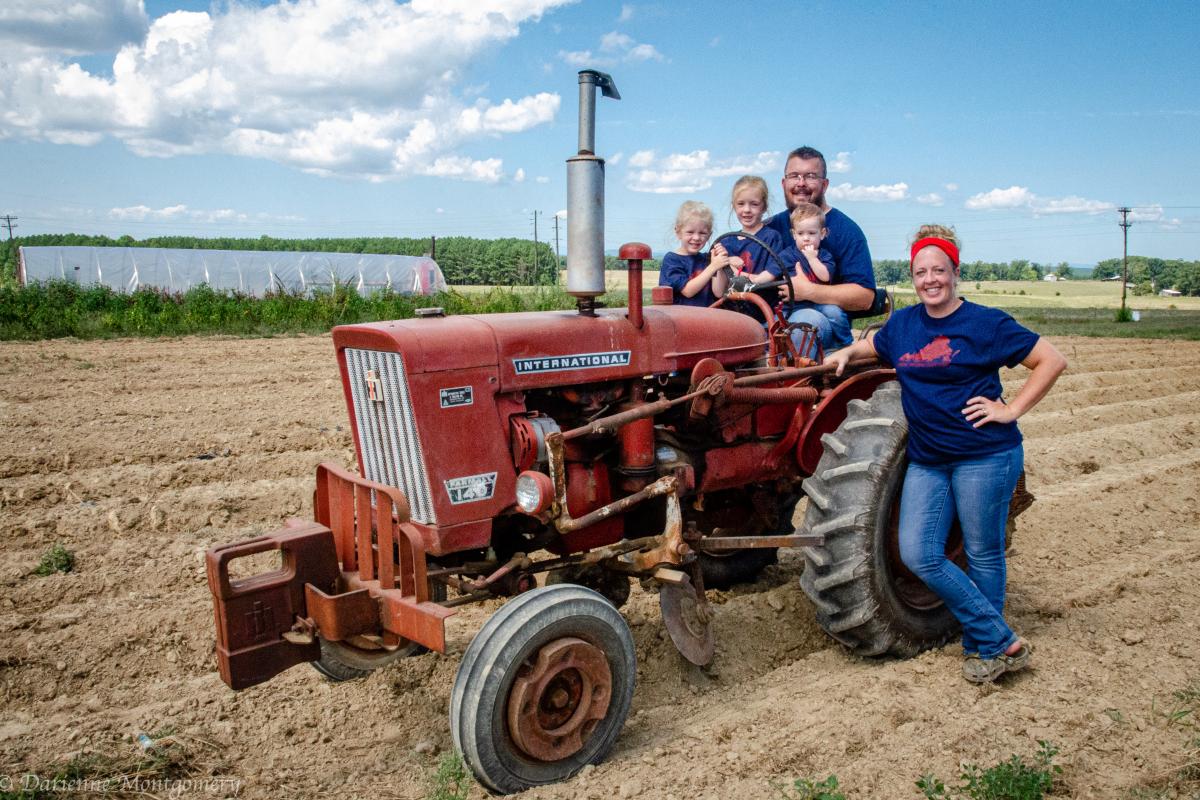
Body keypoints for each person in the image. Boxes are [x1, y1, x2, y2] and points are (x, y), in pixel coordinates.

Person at [826, 225, 1067, 684]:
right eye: (921, 272)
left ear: (956, 273)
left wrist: (1010, 408)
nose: (930, 279)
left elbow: (1051, 360)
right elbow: (871, 347)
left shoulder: (985, 323)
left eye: (939, 270)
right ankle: (998, 638)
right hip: (929, 459)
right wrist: (843, 354)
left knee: (982, 553)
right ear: (913, 277)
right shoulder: (904, 325)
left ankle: (985, 648)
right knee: (919, 553)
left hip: (985, 456)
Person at [764, 146, 876, 357]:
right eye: (794, 176)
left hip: (822, 326)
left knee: (805, 325)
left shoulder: (847, 231)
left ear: (825, 184)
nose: (801, 183)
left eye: (810, 176)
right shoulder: (770, 228)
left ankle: (797, 388)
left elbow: (865, 297)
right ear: (783, 183)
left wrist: (809, 291)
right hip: (774, 321)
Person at [711, 176, 788, 323]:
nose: (747, 210)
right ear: (734, 206)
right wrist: (721, 263)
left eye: (754, 204)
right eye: (741, 204)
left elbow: (771, 275)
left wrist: (734, 269)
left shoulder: (771, 238)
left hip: (764, 315)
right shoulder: (726, 243)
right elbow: (718, 291)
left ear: (764, 207)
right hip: (733, 316)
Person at [774, 202, 852, 348]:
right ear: (793, 234)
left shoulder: (824, 256)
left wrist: (812, 258)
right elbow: (778, 275)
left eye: (811, 233)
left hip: (821, 302)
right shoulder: (787, 255)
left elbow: (825, 277)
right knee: (774, 320)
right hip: (794, 305)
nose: (806, 238)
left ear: (822, 234)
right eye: (801, 233)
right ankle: (771, 347)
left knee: (835, 313)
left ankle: (845, 343)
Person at [657, 201, 730, 307]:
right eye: (690, 232)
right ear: (678, 232)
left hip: (707, 319)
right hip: (682, 320)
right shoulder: (672, 260)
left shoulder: (708, 259)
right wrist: (713, 266)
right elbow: (688, 291)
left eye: (702, 233)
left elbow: (718, 292)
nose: (696, 238)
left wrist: (720, 265)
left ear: (709, 235)